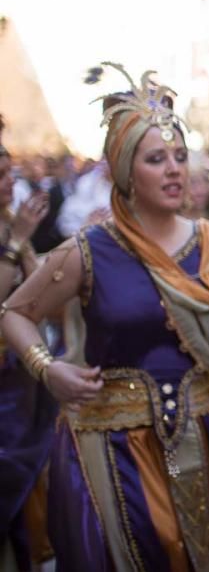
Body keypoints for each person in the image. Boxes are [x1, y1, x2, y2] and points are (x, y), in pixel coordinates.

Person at [0, 64, 209, 571]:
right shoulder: (89, 250)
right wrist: (47, 368)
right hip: (114, 448)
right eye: (156, 159)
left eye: (180, 157)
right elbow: (14, 312)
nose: (174, 169)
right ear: (124, 170)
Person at [0, 143, 55, 570]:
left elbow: (33, 296)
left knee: (28, 478)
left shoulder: (8, 223)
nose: (8, 185)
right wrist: (16, 240)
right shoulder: (11, 230)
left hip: (19, 375)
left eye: (9, 174)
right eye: (1, 177)